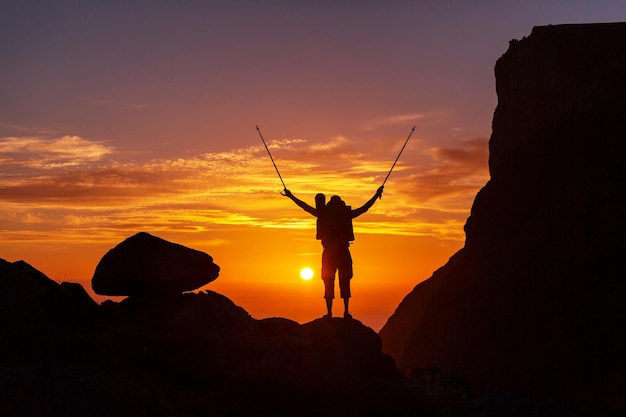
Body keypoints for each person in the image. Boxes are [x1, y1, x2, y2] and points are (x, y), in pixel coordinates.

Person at [283, 186, 384, 319]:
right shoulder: (346, 214)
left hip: (329, 254)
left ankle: (329, 313)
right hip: (343, 252)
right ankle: (346, 312)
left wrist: (291, 196)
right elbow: (365, 208)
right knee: (345, 282)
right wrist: (377, 195)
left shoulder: (323, 213)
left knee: (328, 282)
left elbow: (305, 206)